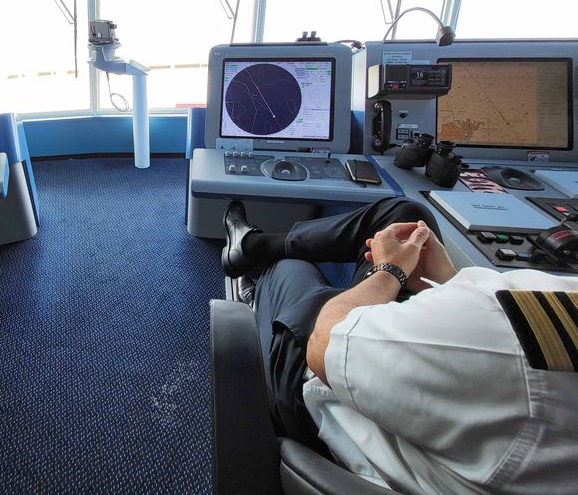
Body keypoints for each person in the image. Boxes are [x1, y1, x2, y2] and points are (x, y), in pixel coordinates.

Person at [222, 197, 578, 494]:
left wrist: (390, 272)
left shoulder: (512, 345)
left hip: (320, 382)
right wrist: (447, 280)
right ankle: (250, 245)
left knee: (291, 268)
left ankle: (258, 265)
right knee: (407, 216)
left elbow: (327, 343)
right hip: (411, 354)